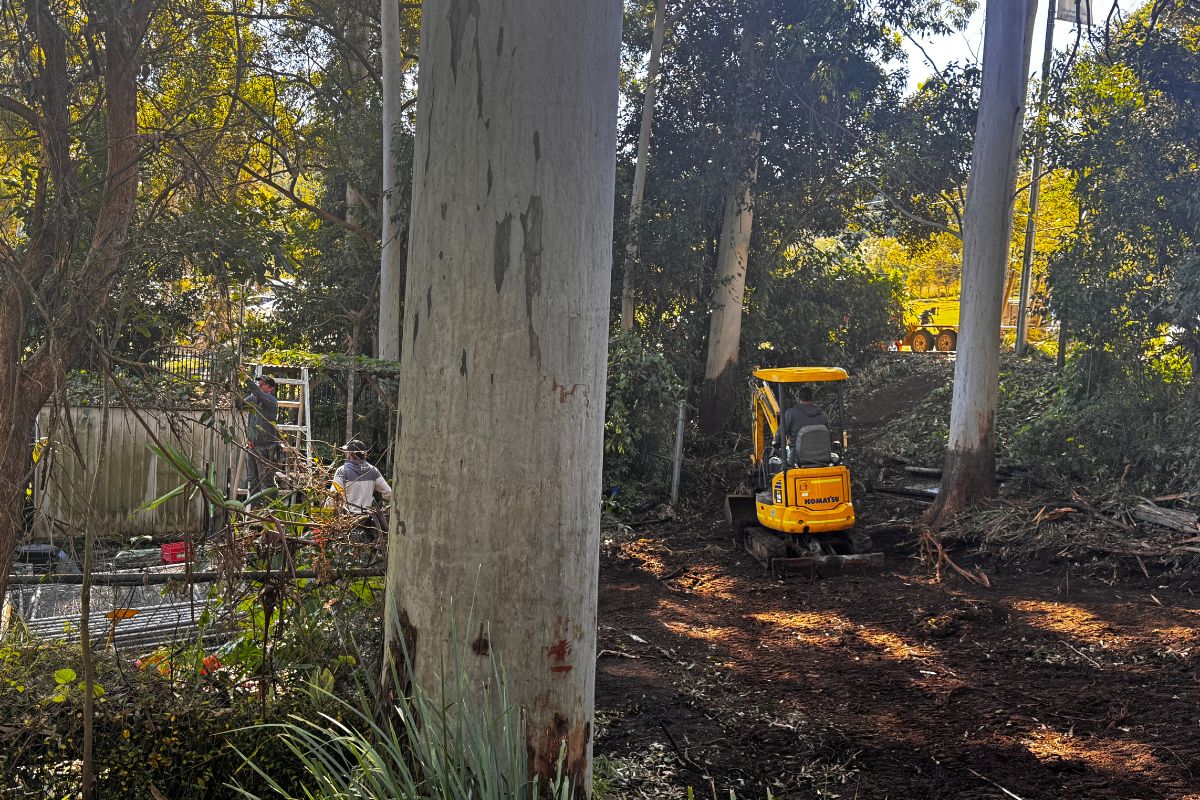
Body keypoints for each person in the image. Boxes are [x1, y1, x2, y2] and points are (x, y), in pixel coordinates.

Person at [327, 438, 393, 537]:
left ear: (352, 455)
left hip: (347, 520)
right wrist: (384, 509)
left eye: (348, 453)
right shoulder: (373, 471)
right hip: (367, 520)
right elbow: (388, 493)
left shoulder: (342, 471)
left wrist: (327, 513)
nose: (347, 455)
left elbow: (333, 496)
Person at [241, 371, 282, 502]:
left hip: (265, 448)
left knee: (266, 482)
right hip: (252, 446)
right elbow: (239, 404)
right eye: (259, 382)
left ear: (270, 389)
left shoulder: (271, 400)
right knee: (252, 481)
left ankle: (272, 510)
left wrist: (247, 379)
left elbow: (258, 393)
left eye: (263, 384)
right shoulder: (254, 398)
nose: (260, 384)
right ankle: (255, 509)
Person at [781, 386, 831, 466]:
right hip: (823, 458)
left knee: (777, 464)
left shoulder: (791, 414)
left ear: (799, 398)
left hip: (797, 460)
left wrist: (775, 443)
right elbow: (829, 436)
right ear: (812, 397)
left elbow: (781, 435)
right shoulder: (822, 415)